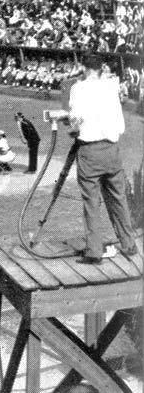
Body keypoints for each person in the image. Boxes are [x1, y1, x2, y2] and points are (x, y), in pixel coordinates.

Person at [67, 56, 138, 264]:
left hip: (90, 151)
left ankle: (94, 251)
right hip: (112, 149)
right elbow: (119, 122)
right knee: (118, 198)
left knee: (91, 202)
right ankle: (128, 243)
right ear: (101, 68)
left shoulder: (78, 89)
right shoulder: (110, 86)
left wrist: (71, 126)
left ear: (83, 67)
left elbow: (76, 120)